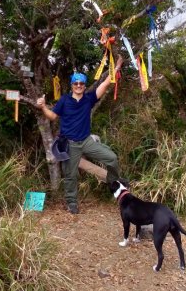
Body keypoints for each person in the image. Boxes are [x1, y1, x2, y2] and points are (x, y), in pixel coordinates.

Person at [37, 56, 125, 214]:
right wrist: (43, 107)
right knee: (70, 176)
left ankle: (113, 181)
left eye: (81, 83)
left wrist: (116, 67)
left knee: (111, 158)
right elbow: (52, 117)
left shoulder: (89, 99)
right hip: (70, 144)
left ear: (84, 86)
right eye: (76, 83)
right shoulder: (64, 100)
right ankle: (72, 203)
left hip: (86, 141)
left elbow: (106, 83)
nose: (79, 85)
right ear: (72, 85)